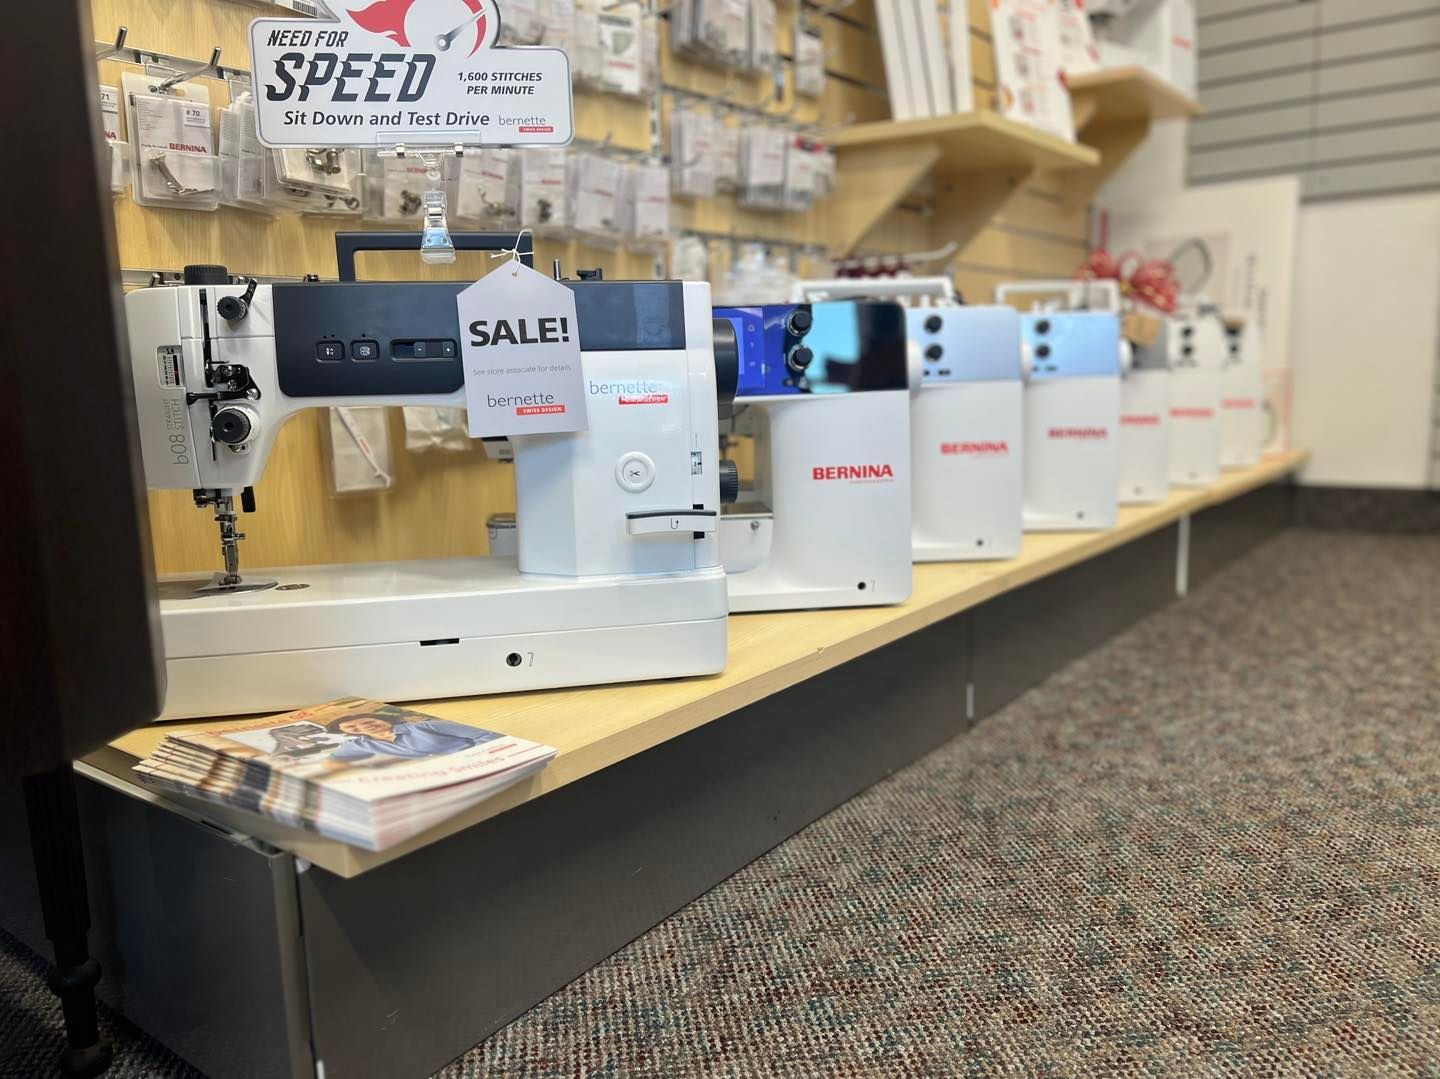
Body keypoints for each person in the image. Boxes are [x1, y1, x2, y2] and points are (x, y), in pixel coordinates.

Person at [325, 712, 499, 763]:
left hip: (475, 761)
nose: (363, 726)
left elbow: (487, 735)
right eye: (353, 727)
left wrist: (475, 759)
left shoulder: (424, 726)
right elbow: (332, 760)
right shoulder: (360, 745)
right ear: (348, 733)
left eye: (367, 721)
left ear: (382, 718)